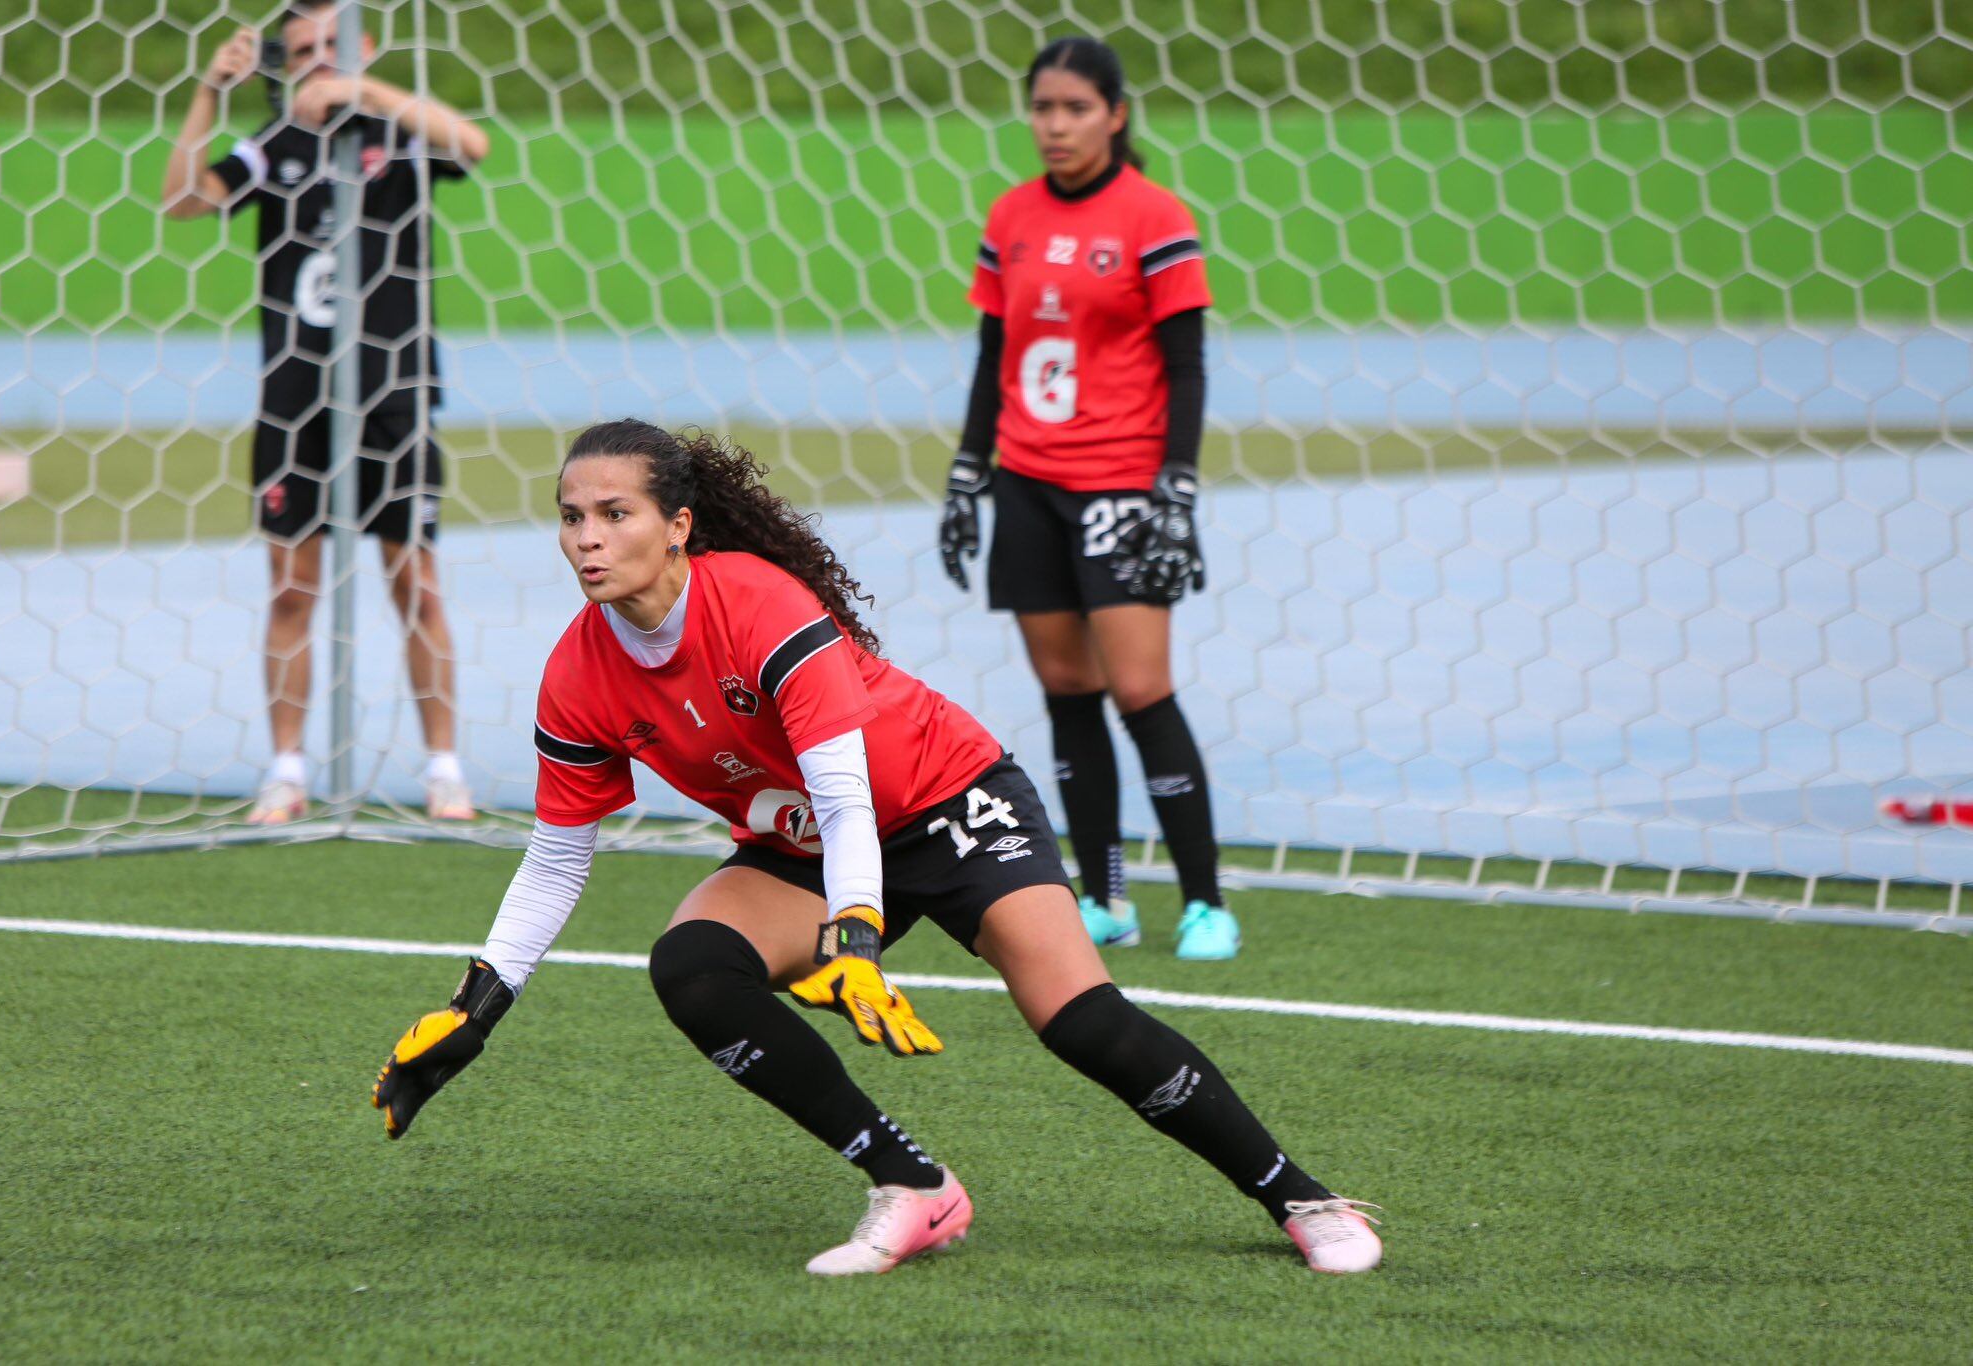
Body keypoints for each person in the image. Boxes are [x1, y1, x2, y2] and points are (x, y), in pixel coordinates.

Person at [368, 420, 1380, 1277]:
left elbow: (849, 795)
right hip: (803, 844)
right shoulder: (577, 675)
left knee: (1080, 1020)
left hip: (944, 799)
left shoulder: (757, 602)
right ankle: (911, 1184)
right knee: (691, 965)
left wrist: (853, 936)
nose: (586, 538)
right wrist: (477, 1005)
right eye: (570, 517)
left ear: (677, 527)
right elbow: (557, 857)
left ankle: (1300, 1197)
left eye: (614, 513)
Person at [939, 38, 1238, 959]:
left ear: (1115, 112)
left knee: (1142, 690)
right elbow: (996, 355)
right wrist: (967, 473)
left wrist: (1175, 490)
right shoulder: (1011, 215)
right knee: (1067, 689)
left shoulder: (1154, 217)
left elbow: (1185, 365)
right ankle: (1104, 896)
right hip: (1027, 482)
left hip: (1119, 483)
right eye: (1042, 108)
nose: (1056, 125)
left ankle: (1204, 901)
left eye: (1074, 108)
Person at [161, 3, 489, 824]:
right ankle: (286, 770)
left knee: (415, 581)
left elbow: (473, 143)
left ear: (363, 48)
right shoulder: (275, 147)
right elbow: (183, 203)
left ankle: (445, 768)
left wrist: (362, 91)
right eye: (300, 51)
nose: (314, 62)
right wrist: (208, 92)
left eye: (328, 48)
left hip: (395, 392)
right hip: (296, 399)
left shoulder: (403, 133)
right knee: (290, 590)